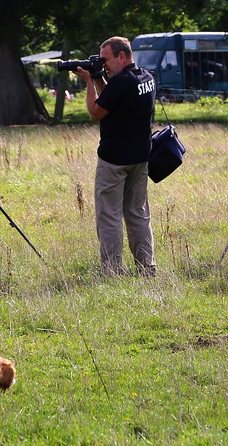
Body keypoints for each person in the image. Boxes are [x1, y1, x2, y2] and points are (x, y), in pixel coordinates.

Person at [73, 36, 157, 276]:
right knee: (138, 213)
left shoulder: (120, 84)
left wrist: (89, 81)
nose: (103, 65)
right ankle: (147, 267)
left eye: (105, 60)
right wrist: (100, 78)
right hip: (140, 158)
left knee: (109, 216)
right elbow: (114, 100)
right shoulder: (146, 78)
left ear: (122, 56)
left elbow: (95, 112)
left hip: (114, 160)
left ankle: (111, 270)